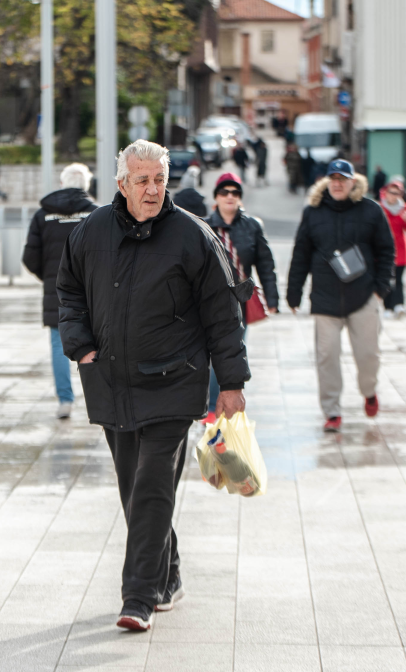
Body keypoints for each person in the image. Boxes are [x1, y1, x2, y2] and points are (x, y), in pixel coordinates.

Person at [57, 139, 252, 632]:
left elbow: (223, 315)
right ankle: (169, 575)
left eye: (159, 179)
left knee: (151, 484)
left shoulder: (193, 235)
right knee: (134, 486)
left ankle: (138, 596)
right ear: (121, 183)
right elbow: (69, 290)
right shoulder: (91, 231)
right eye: (141, 180)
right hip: (112, 377)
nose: (152, 189)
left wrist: (231, 382)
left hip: (174, 380)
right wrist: (81, 347)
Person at [286, 159, 395, 432]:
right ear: (326, 181)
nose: (337, 183)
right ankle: (332, 412)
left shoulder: (371, 211)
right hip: (325, 299)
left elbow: (386, 251)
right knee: (327, 357)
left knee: (368, 355)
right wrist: (293, 292)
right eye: (332, 178)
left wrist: (381, 290)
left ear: (352, 182)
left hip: (363, 296)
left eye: (342, 179)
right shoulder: (313, 212)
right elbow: (301, 254)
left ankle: (369, 392)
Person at [23, 163, 98, 418]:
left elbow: (30, 256)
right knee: (96, 343)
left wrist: (48, 277)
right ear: (86, 185)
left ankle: (65, 400)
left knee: (58, 343)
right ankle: (97, 400)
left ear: (63, 183)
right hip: (91, 292)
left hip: (56, 292)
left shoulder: (43, 215)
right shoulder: (96, 214)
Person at [205, 172, 279, 423]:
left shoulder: (252, 226)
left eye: (234, 192)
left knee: (232, 352)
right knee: (211, 356)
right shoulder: (205, 226)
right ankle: (211, 406)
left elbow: (265, 264)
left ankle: (220, 407)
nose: (229, 196)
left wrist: (273, 298)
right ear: (216, 196)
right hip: (211, 300)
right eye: (224, 192)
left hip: (240, 301)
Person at [380, 177, 406, 318]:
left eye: (396, 193)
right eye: (391, 192)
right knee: (387, 279)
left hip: (400, 250)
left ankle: (399, 305)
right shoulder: (380, 208)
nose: (393, 196)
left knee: (399, 280)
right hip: (384, 250)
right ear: (386, 192)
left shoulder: (404, 209)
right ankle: (387, 306)